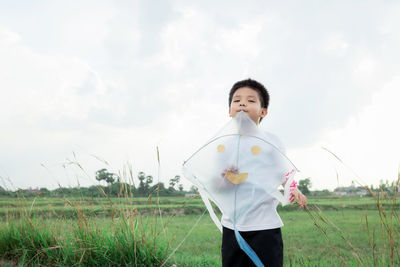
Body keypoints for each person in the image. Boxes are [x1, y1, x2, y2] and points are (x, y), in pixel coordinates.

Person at [221, 78, 307, 267]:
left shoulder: (271, 141)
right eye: (237, 100)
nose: (242, 103)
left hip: (265, 226)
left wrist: (293, 188)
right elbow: (217, 183)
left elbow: (285, 172)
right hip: (231, 227)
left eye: (251, 100)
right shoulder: (222, 145)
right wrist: (221, 179)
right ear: (229, 111)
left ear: (263, 111)